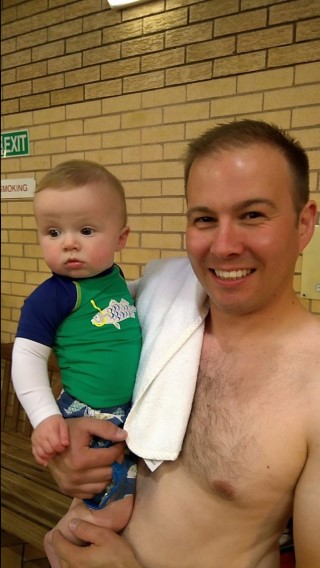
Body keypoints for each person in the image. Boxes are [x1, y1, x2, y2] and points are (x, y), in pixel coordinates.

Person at [50, 120, 319, 568]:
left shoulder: (311, 382)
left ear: (304, 223)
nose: (225, 245)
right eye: (205, 219)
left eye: (253, 215)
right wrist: (68, 448)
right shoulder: (153, 306)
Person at [11, 160, 142, 568]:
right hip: (90, 412)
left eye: (85, 231)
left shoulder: (116, 279)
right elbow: (28, 358)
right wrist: (45, 417)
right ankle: (67, 546)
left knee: (128, 503)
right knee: (114, 510)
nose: (68, 243)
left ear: (120, 238)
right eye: (53, 232)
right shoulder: (53, 296)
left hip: (125, 413)